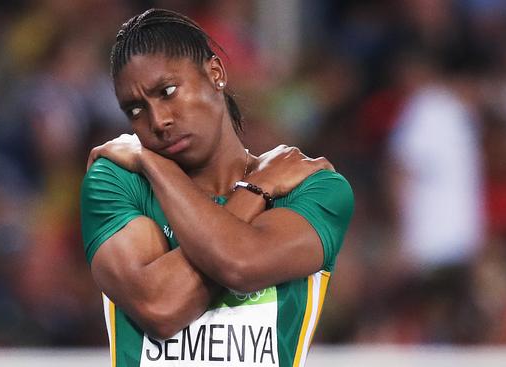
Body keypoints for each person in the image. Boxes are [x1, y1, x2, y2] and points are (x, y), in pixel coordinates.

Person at [81, 9, 354, 367]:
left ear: (215, 73)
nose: (158, 121)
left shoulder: (311, 188)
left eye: (167, 91)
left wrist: (153, 163)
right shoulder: (116, 184)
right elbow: (160, 308)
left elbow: (241, 264)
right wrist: (256, 189)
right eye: (135, 110)